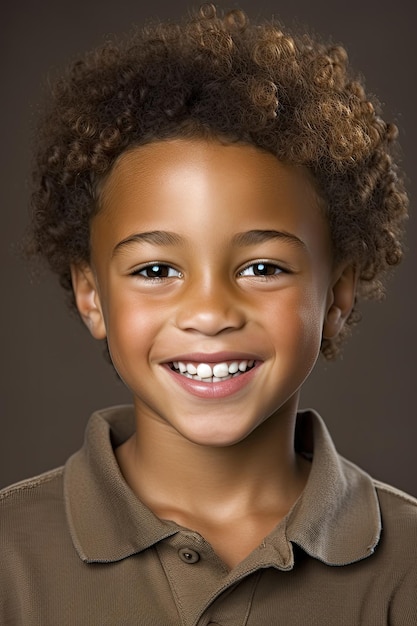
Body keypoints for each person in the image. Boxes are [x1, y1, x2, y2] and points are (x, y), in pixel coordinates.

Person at [1, 4, 415, 624]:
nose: (210, 313)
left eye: (262, 268)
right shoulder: (10, 556)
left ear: (338, 293)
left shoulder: (407, 565)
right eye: (157, 271)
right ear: (92, 296)